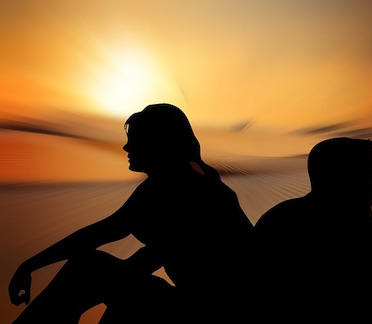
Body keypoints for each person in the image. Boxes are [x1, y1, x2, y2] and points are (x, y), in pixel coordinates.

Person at [9, 103, 255, 323]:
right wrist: (30, 265)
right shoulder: (164, 187)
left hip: (209, 313)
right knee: (92, 270)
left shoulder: (191, 190)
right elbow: (98, 233)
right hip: (196, 306)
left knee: (88, 269)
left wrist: (115, 287)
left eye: (135, 139)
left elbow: (146, 258)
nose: (126, 146)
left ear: (158, 143)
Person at [254, 137, 372, 324]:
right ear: (335, 180)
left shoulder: (276, 221)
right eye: (361, 177)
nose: (371, 188)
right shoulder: (369, 234)